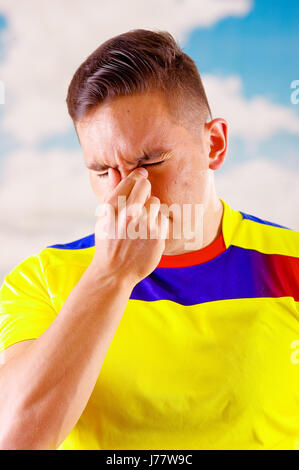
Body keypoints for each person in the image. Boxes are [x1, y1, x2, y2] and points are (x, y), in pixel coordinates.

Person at [0, 29, 298, 451]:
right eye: (102, 170)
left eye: (150, 162)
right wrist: (110, 276)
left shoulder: (291, 265)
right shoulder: (41, 280)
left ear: (214, 144)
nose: (126, 192)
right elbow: (15, 440)